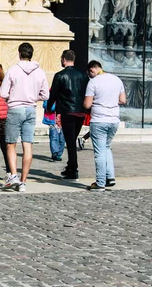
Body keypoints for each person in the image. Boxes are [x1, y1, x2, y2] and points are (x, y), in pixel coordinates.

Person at [0, 42, 49, 192]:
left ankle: (13, 175)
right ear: (31, 54)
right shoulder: (39, 72)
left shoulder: (13, 70)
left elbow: (3, 93)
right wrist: (32, 97)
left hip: (15, 108)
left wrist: (14, 95)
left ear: (20, 53)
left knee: (10, 143)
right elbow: (46, 94)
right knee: (27, 144)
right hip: (30, 109)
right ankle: (23, 182)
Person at [83, 60, 127, 191]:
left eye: (89, 73)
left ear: (92, 70)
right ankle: (110, 177)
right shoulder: (116, 80)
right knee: (107, 147)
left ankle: (100, 183)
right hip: (114, 119)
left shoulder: (93, 82)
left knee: (99, 152)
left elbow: (87, 104)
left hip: (99, 120)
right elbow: (123, 100)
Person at [46, 50, 88, 180]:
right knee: (71, 139)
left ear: (64, 59)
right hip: (80, 112)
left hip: (67, 111)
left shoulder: (60, 75)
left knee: (70, 142)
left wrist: (49, 107)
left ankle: (73, 169)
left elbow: (53, 94)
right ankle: (70, 166)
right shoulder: (83, 75)